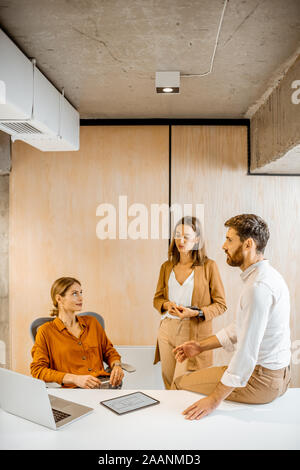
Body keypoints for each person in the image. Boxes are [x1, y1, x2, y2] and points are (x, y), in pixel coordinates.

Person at [172, 214, 291, 420]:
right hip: (279, 377)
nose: (223, 246)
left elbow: (246, 354)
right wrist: (200, 346)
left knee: (180, 383)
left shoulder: (258, 288)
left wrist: (213, 400)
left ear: (248, 244)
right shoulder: (268, 276)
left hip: (260, 381)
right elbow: (239, 327)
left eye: (229, 240)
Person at [153, 216, 227, 390]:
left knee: (182, 385)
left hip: (192, 332)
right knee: (168, 382)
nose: (181, 240)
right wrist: (166, 305)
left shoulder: (209, 266)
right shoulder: (167, 266)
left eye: (186, 236)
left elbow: (221, 304)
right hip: (167, 329)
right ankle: (170, 418)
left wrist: (195, 312)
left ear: (197, 239)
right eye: (177, 235)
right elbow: (158, 299)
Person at [31, 277, 124, 389]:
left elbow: (109, 352)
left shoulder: (92, 323)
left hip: (104, 385)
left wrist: (117, 366)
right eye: (75, 294)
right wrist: (75, 379)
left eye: (81, 293)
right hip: (73, 390)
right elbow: (38, 370)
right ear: (59, 299)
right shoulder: (45, 331)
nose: (81, 298)